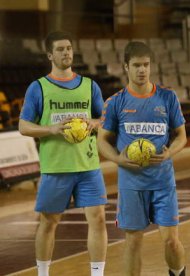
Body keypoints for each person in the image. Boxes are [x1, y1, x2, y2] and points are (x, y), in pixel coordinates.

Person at [18, 31, 107, 276]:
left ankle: (97, 274)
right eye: (60, 49)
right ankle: (43, 273)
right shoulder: (39, 88)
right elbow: (23, 126)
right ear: (50, 55)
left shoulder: (90, 86)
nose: (67, 52)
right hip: (56, 167)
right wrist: (51, 129)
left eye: (69, 48)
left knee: (98, 218)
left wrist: (93, 123)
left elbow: (106, 119)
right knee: (49, 222)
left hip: (88, 166)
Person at [97, 41, 187, 276]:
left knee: (172, 242)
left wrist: (170, 152)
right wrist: (118, 159)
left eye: (146, 65)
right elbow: (102, 141)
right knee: (133, 242)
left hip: (163, 182)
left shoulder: (168, 97)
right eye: (136, 65)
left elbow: (181, 137)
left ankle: (178, 272)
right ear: (125, 67)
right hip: (131, 184)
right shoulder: (115, 102)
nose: (142, 70)